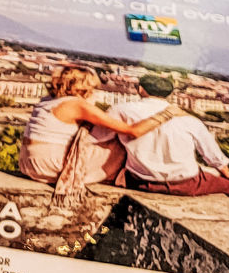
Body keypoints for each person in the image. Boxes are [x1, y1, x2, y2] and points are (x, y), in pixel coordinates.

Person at [103, 72, 229, 202]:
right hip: (186, 184)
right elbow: (214, 157)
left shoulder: (120, 111)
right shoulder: (190, 120)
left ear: (140, 89)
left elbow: (101, 138)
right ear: (168, 94)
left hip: (140, 181)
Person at [17, 66, 151, 186]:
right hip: (48, 165)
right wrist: (161, 115)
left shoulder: (48, 100)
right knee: (119, 141)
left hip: (27, 164)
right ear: (83, 87)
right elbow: (133, 131)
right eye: (92, 88)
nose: (93, 92)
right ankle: (126, 179)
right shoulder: (77, 105)